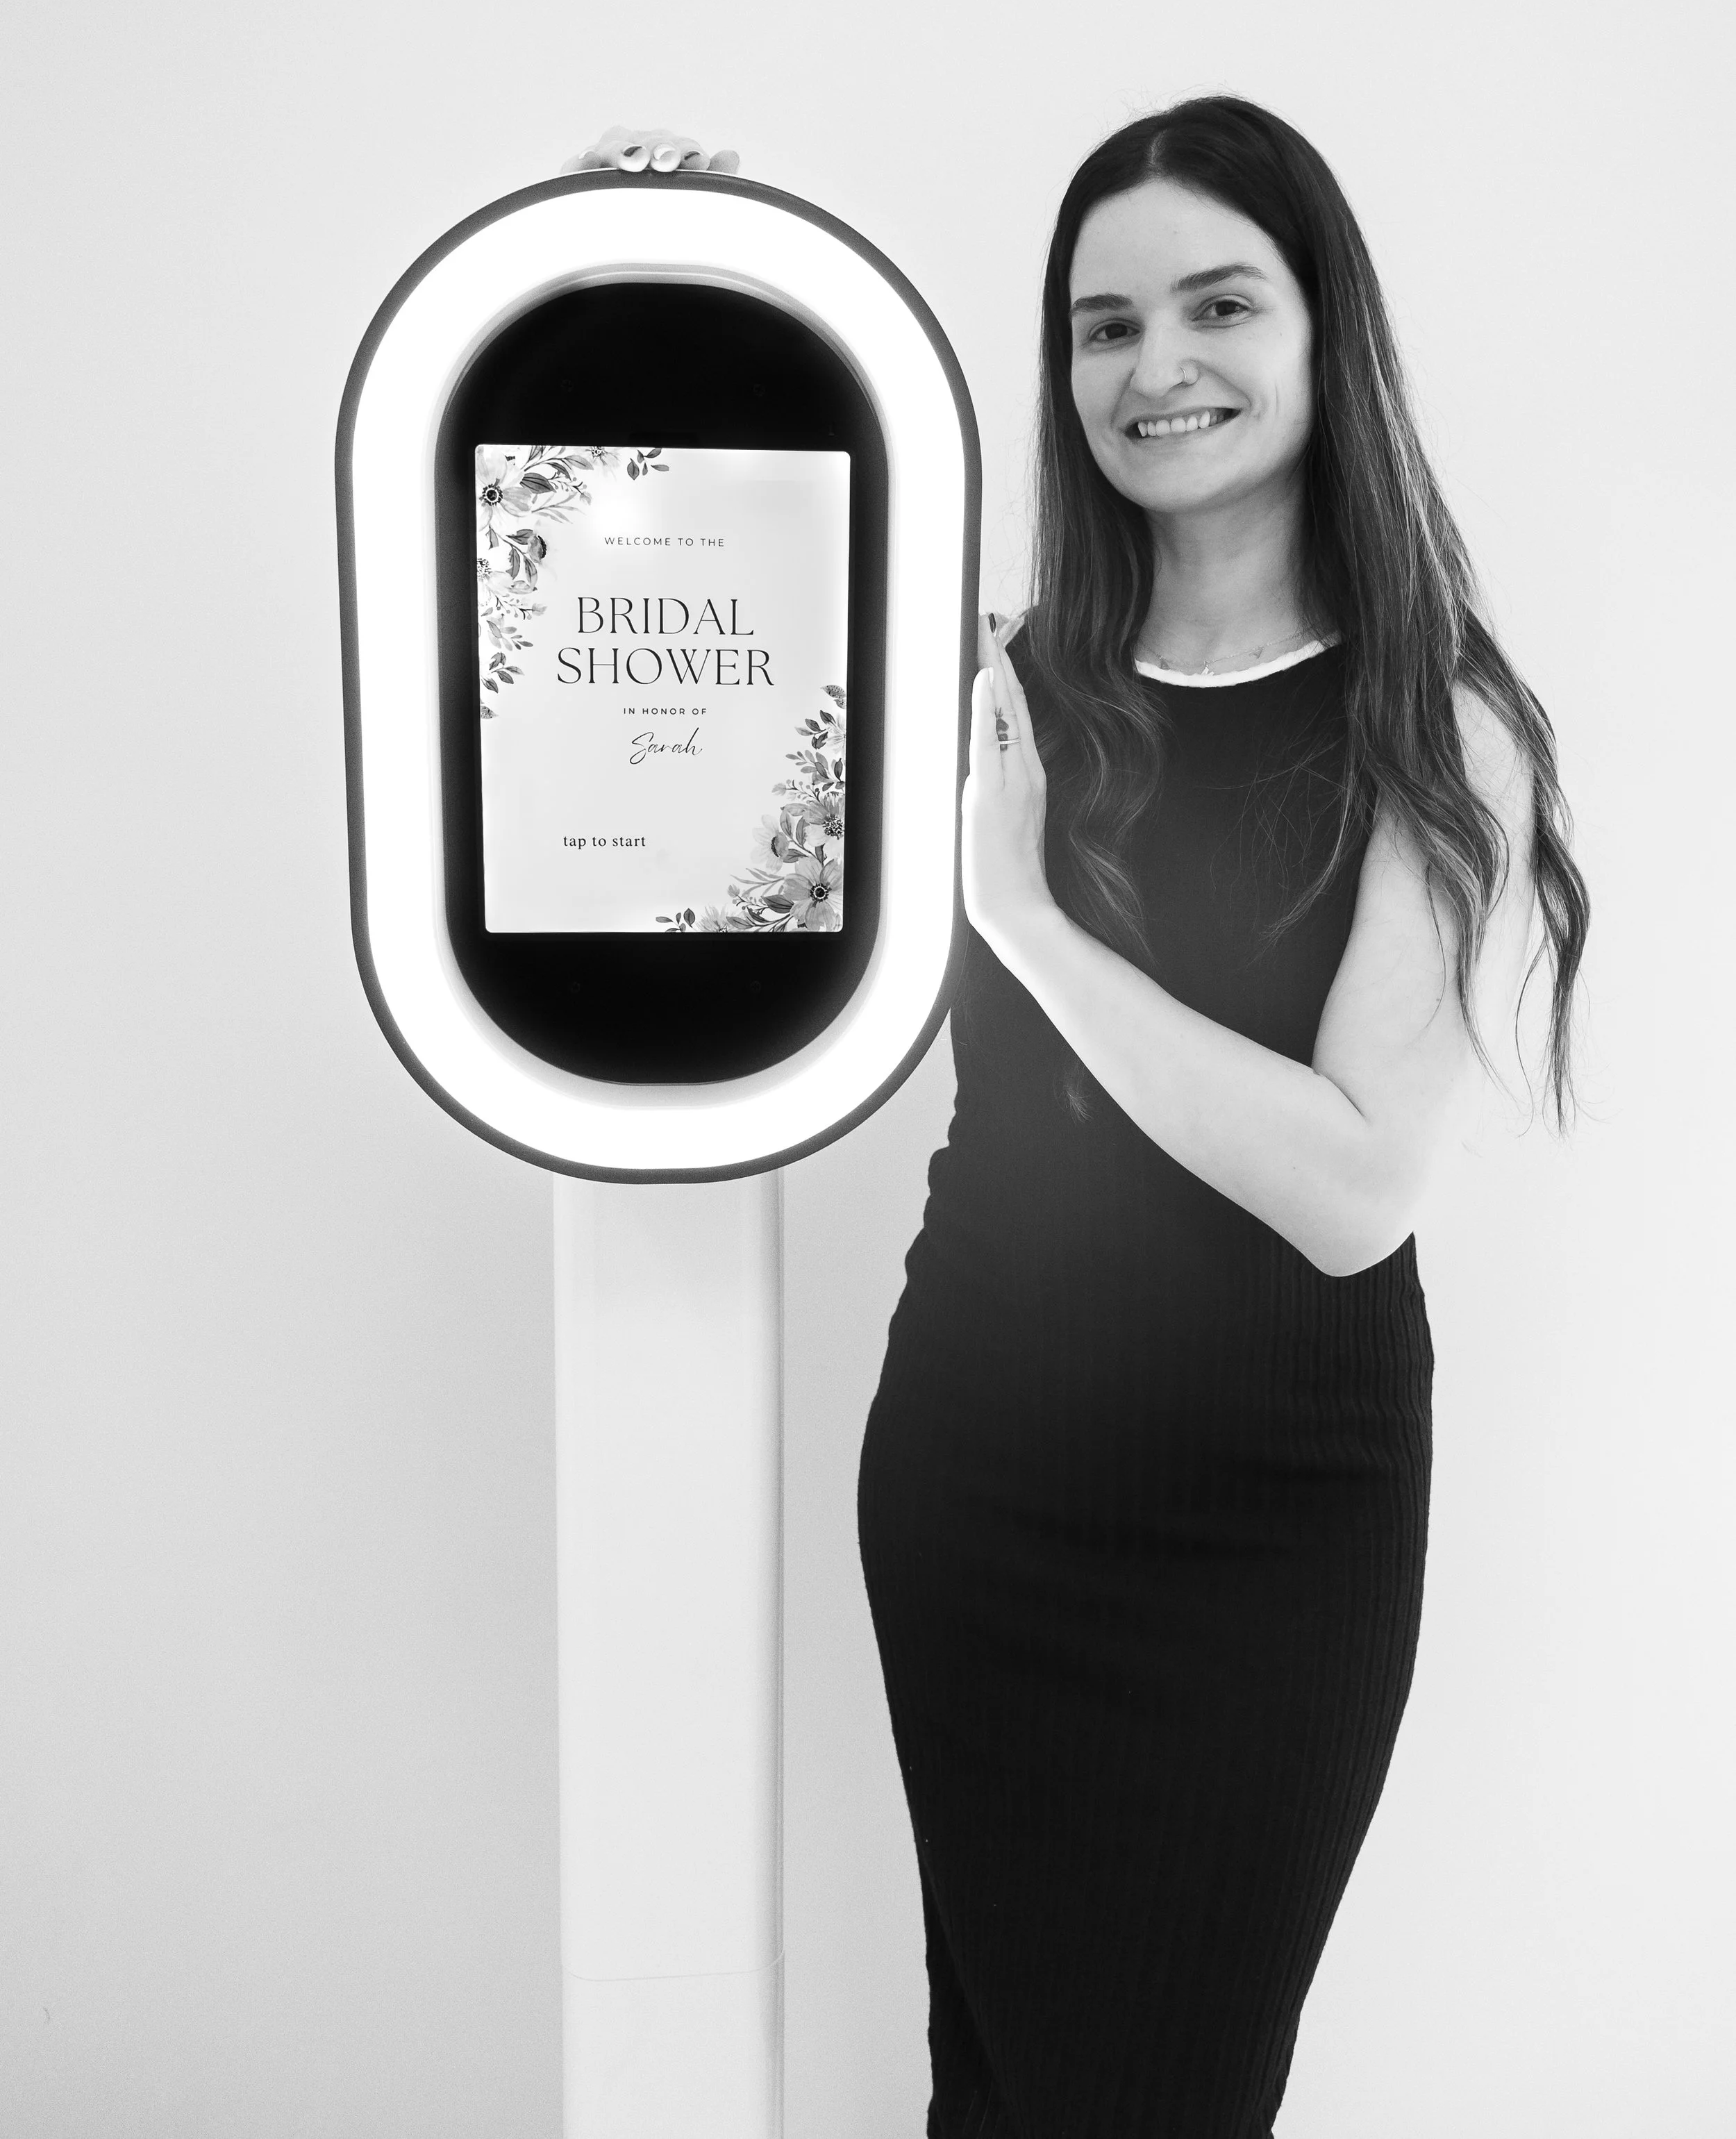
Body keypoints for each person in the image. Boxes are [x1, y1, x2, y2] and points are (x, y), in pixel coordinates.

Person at [575, 103, 1589, 2137]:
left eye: (1217, 304)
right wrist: (648, 273)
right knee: (1001, 2080)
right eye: (1100, 324)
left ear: (1326, 337)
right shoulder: (996, 687)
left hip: (1271, 1522)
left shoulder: (1425, 711)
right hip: (980, 1482)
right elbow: (670, 647)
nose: (1155, 368)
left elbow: (1349, 1185)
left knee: (1160, 2098)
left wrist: (1022, 917)